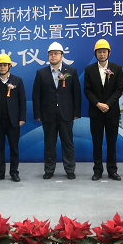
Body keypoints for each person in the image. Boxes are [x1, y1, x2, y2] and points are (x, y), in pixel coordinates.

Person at [33, 42, 81, 179]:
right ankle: (49, 170)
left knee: (68, 143)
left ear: (62, 55)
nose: (53, 56)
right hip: (48, 114)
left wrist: (76, 112)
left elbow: (76, 93)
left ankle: (70, 169)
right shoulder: (41, 73)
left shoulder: (71, 71)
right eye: (50, 54)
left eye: (55, 53)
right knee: (49, 144)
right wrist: (37, 113)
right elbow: (36, 95)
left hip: (67, 113)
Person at [83, 39, 123, 181]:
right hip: (96, 112)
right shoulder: (89, 70)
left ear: (109, 53)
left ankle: (112, 170)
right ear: (95, 53)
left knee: (112, 143)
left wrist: (108, 104)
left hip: (112, 112)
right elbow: (87, 90)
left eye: (104, 51)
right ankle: (97, 171)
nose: (102, 54)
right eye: (99, 52)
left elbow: (119, 89)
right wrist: (98, 104)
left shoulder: (116, 68)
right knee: (97, 142)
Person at [0, 54, 27, 182]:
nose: (2, 67)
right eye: (0, 65)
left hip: (13, 121)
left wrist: (22, 117)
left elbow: (22, 101)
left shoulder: (17, 81)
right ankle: (0, 173)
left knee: (14, 148)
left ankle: (14, 172)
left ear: (10, 66)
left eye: (5, 65)